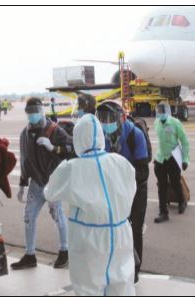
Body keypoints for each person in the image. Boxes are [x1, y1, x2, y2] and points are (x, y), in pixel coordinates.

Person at [44, 114, 136, 296]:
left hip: (89, 237)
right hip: (121, 233)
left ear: (78, 138)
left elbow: (50, 192)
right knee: (122, 283)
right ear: (101, 137)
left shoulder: (72, 168)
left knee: (88, 287)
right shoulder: (120, 162)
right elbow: (131, 188)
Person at [12, 97, 72, 270]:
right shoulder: (25, 133)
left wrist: (53, 147)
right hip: (36, 183)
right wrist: (22, 184)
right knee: (28, 217)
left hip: (53, 182)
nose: (32, 115)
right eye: (29, 113)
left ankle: (64, 251)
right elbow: (25, 160)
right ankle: (30, 255)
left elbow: (71, 147)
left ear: (41, 111)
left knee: (58, 217)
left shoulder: (54, 130)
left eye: (35, 112)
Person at [96, 101, 149, 283]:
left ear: (122, 117)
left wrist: (123, 184)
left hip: (136, 190)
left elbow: (143, 171)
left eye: (110, 119)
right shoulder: (101, 136)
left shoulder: (135, 135)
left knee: (134, 230)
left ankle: (134, 270)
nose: (106, 123)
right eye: (102, 119)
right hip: (114, 192)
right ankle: (116, 265)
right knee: (115, 230)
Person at [153, 101, 190, 223]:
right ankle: (163, 212)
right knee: (161, 186)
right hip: (160, 158)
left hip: (173, 158)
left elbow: (184, 141)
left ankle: (181, 201)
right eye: (159, 111)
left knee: (175, 182)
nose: (160, 113)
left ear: (167, 111)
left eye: (162, 111)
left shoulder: (175, 123)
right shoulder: (156, 123)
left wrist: (185, 159)